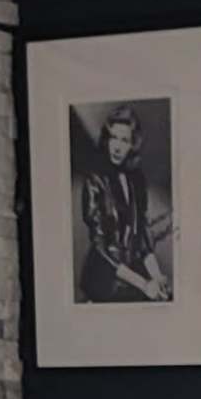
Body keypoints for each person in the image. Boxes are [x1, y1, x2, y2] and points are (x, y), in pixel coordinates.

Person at [76, 104, 171, 305]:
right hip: (101, 284)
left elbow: (143, 236)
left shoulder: (136, 179)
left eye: (124, 140)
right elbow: (101, 248)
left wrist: (157, 276)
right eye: (114, 138)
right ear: (107, 139)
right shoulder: (95, 181)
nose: (117, 146)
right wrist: (144, 284)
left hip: (130, 281)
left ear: (132, 145)